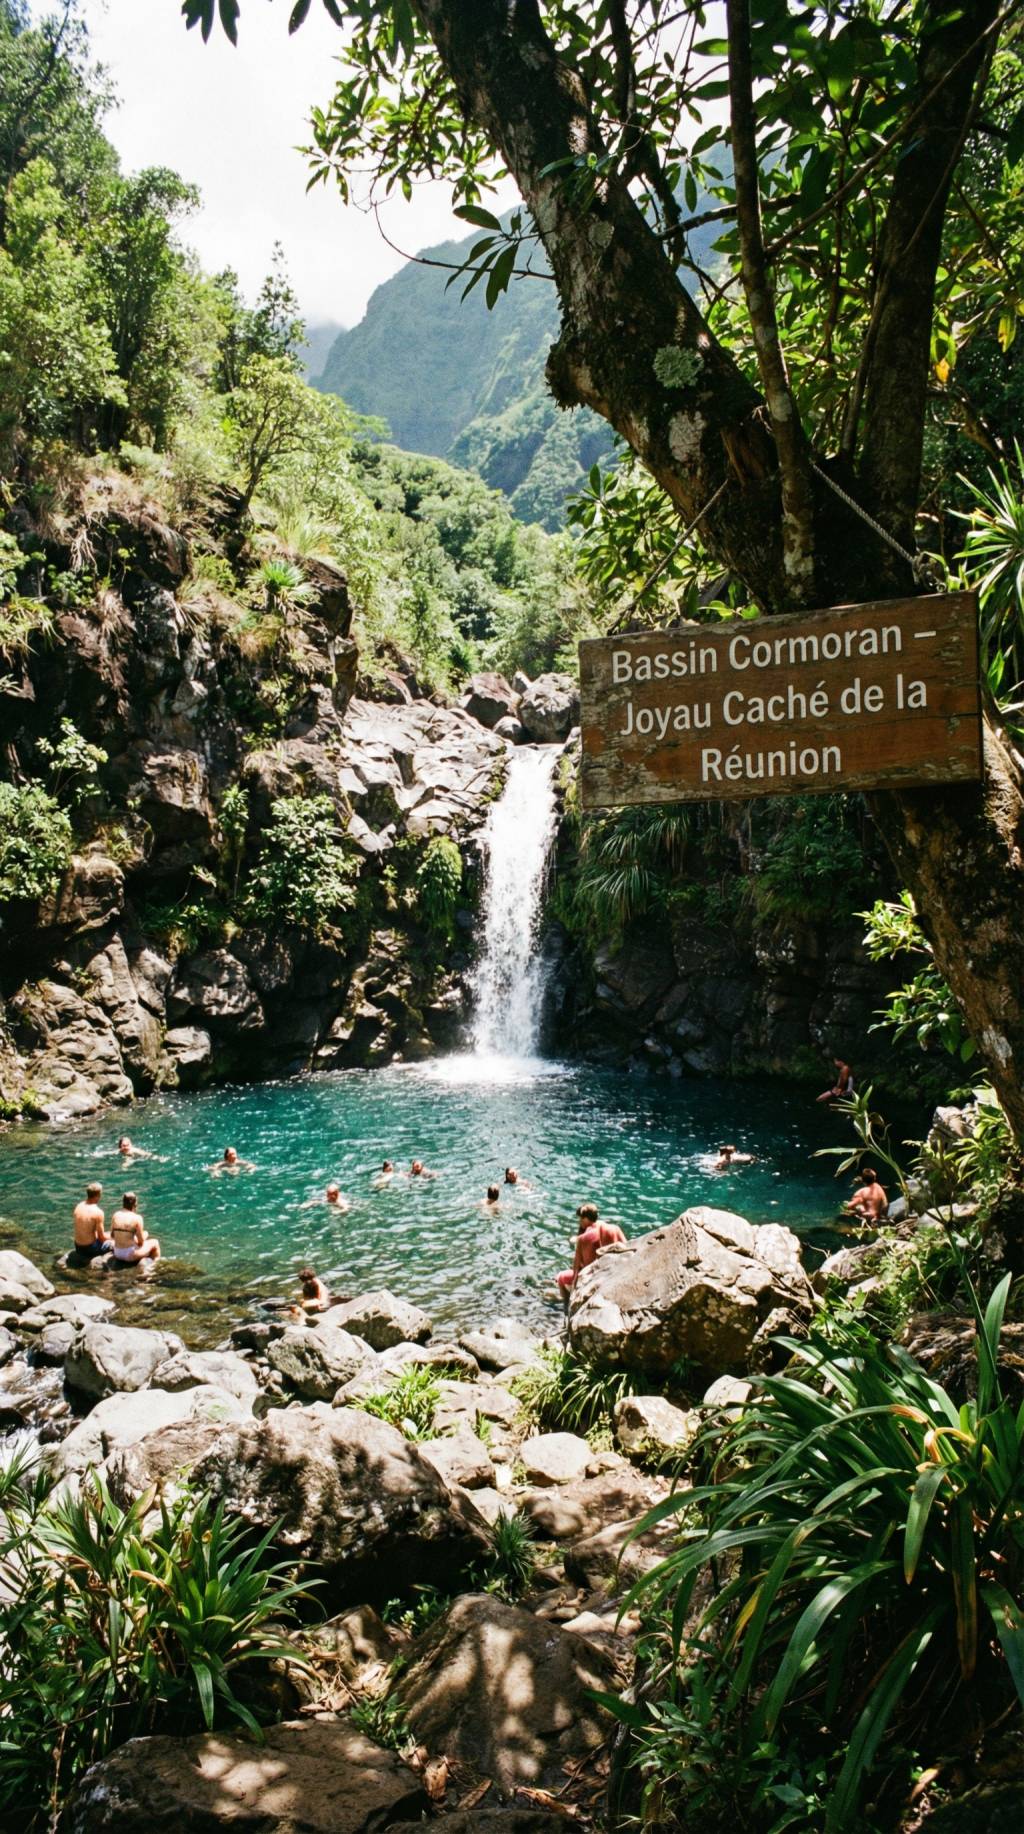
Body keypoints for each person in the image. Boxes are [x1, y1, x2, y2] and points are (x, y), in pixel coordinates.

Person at [557, 1203, 626, 1300]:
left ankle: (564, 1302)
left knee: (560, 1277)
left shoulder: (582, 1239)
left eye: (580, 1219)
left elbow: (576, 1271)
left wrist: (574, 1292)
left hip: (594, 1276)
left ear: (585, 1219)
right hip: (614, 1270)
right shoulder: (614, 1228)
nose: (579, 1222)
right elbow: (626, 1246)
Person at [109, 1192, 160, 1264]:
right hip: (129, 1255)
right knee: (155, 1242)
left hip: (117, 1252)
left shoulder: (116, 1215)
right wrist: (144, 1236)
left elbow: (112, 1236)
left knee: (142, 1235)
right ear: (135, 1204)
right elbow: (141, 1242)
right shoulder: (137, 1218)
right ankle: (153, 1266)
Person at [72, 1183, 110, 1262]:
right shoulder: (98, 1212)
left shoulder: (79, 1206)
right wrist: (113, 1238)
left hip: (78, 1247)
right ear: (98, 1195)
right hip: (90, 1249)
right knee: (112, 1243)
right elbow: (101, 1238)